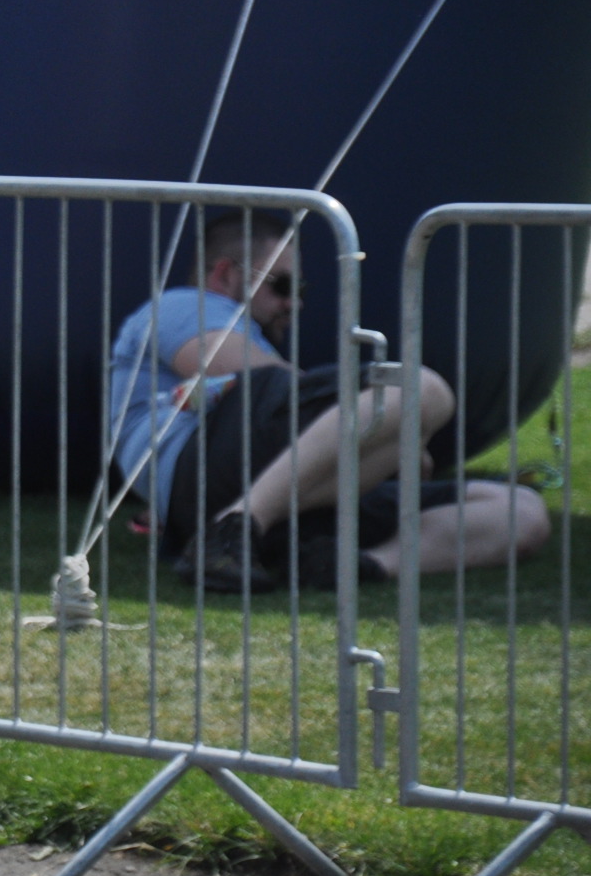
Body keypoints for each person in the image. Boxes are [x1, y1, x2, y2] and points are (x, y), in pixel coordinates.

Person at [109, 208, 548, 590]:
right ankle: (234, 529)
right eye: (283, 285)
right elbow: (256, 377)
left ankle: (350, 565)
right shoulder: (183, 305)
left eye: (299, 290)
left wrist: (393, 434)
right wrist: (398, 427)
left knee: (520, 510)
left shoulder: (247, 344)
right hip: (204, 474)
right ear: (225, 274)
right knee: (418, 388)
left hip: (281, 488)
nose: (293, 305)